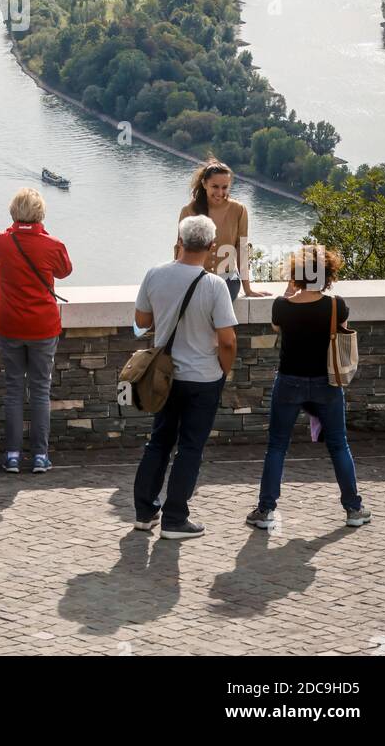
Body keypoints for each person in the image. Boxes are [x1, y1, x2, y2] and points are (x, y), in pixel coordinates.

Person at [247, 245, 370, 531]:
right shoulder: (336, 304)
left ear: (297, 274)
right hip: (326, 382)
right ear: (327, 274)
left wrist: (291, 290)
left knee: (277, 445)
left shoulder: (281, 305)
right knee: (339, 444)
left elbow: (279, 329)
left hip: (289, 380)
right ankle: (353, 508)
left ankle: (265, 510)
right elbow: (341, 330)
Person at [133, 214, 237, 539]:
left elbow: (141, 320)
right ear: (211, 246)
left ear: (179, 241)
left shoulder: (155, 274)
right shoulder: (215, 286)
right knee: (190, 447)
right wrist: (224, 371)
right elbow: (228, 340)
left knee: (159, 441)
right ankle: (175, 519)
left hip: (165, 376)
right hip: (203, 378)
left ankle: (144, 511)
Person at [0, 188, 72, 476]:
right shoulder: (53, 244)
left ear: (13, 213)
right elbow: (64, 271)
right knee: (40, 391)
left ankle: (11, 455)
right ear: (41, 214)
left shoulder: (1, 241)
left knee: (13, 389)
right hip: (42, 326)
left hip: (9, 324)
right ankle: (39, 456)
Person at [177, 159, 269, 300]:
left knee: (216, 305)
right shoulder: (188, 211)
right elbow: (181, 249)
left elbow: (241, 248)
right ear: (204, 184)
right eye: (215, 186)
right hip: (195, 277)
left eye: (225, 187)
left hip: (227, 280)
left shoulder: (239, 210)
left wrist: (247, 289)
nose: (220, 192)